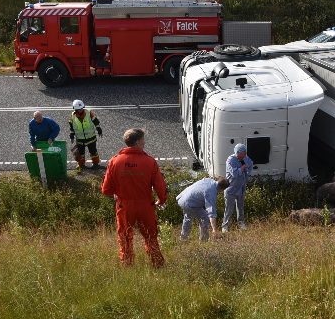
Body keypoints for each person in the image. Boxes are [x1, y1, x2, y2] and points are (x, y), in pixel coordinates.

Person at [101, 128, 168, 268]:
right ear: (137, 142)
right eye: (143, 139)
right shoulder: (149, 161)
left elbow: (106, 189)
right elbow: (160, 186)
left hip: (124, 206)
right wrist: (161, 200)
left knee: (125, 238)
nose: (144, 142)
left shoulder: (115, 161)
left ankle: (127, 265)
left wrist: (116, 193)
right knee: (151, 237)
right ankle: (157, 265)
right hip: (145, 206)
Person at [176, 176, 230, 241]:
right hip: (190, 203)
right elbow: (211, 213)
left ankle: (183, 238)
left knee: (188, 218)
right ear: (222, 189)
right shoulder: (211, 192)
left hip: (183, 198)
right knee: (205, 218)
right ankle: (204, 240)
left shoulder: (209, 180)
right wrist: (214, 230)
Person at [222, 143, 253, 232]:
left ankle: (241, 223)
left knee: (240, 207)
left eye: (245, 153)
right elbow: (234, 174)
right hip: (231, 189)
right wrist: (242, 168)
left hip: (241, 188)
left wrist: (247, 171)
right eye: (242, 154)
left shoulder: (246, 158)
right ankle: (225, 226)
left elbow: (250, 164)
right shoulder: (230, 160)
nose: (244, 156)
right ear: (237, 152)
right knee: (229, 209)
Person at [69, 99, 102, 171]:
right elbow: (71, 127)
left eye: (81, 108)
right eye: (78, 109)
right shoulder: (72, 116)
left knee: (93, 151)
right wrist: (71, 135)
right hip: (80, 139)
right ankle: (81, 165)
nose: (80, 110)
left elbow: (96, 121)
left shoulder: (89, 112)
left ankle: (96, 164)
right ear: (75, 109)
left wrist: (99, 129)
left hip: (91, 137)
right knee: (81, 153)